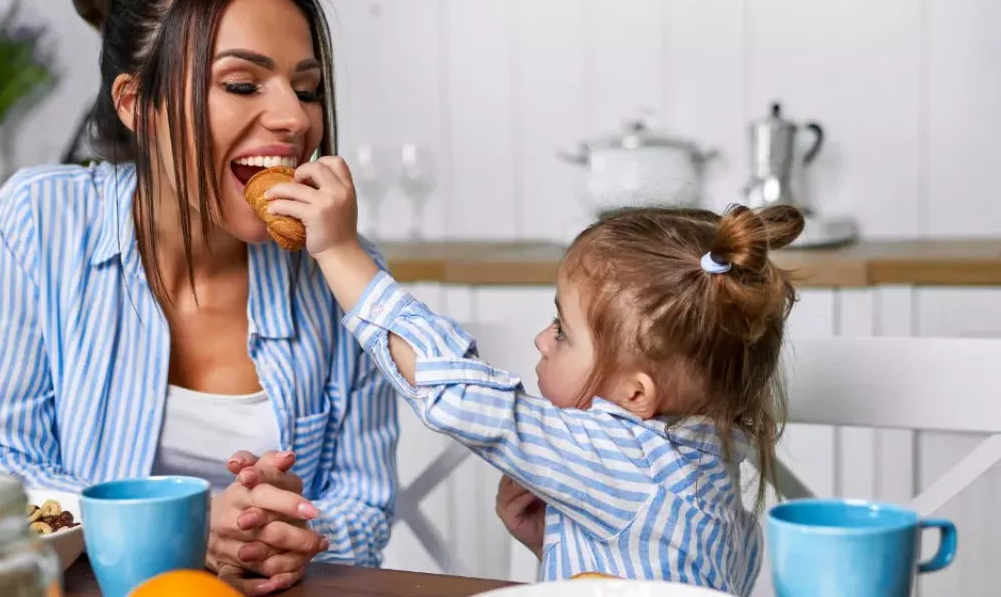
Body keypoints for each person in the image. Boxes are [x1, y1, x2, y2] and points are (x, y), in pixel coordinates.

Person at [0, 0, 398, 594]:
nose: (296, 121)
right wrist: (181, 527)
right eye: (242, 85)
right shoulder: (41, 219)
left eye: (305, 89)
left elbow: (364, 507)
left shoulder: (343, 268)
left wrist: (286, 535)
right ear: (138, 105)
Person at [264, 158, 802, 595]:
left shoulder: (625, 454)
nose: (542, 340)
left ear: (636, 394)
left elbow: (456, 392)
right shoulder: (712, 463)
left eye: (562, 331)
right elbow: (655, 571)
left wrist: (338, 253)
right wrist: (554, 544)